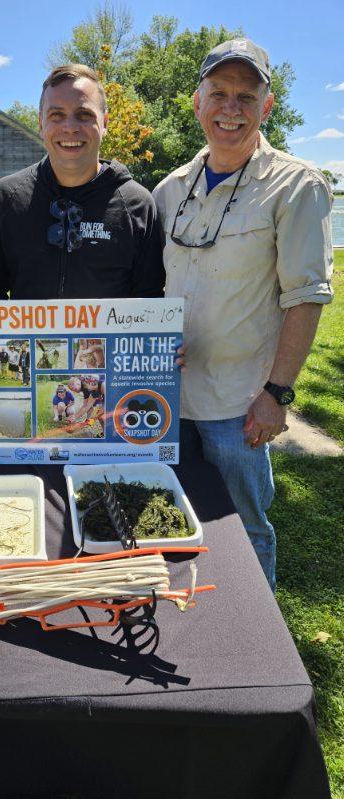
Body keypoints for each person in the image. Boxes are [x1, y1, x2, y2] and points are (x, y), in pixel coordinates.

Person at [153, 39, 333, 591]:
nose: (231, 108)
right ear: (196, 101)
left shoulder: (297, 185)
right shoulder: (168, 190)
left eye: (246, 96)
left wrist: (277, 394)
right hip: (166, 399)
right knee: (168, 526)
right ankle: (195, 633)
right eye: (219, 94)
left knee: (244, 529)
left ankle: (260, 657)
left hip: (240, 405)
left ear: (266, 106)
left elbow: (305, 296)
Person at [0, 64, 165, 300]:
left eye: (84, 115)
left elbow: (150, 301)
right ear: (41, 124)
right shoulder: (7, 197)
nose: (70, 128)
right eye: (57, 115)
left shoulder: (138, 204)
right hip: (29, 339)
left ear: (104, 123)